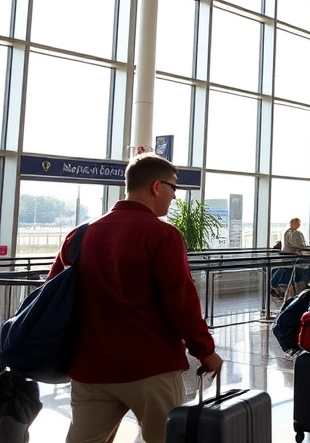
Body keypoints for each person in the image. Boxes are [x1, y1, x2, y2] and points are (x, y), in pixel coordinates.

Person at [47, 153, 222, 443]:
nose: (174, 197)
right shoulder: (162, 235)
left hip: (90, 368)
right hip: (150, 367)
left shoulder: (79, 235)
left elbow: (53, 294)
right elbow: (180, 302)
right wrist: (205, 351)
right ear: (156, 186)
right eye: (173, 188)